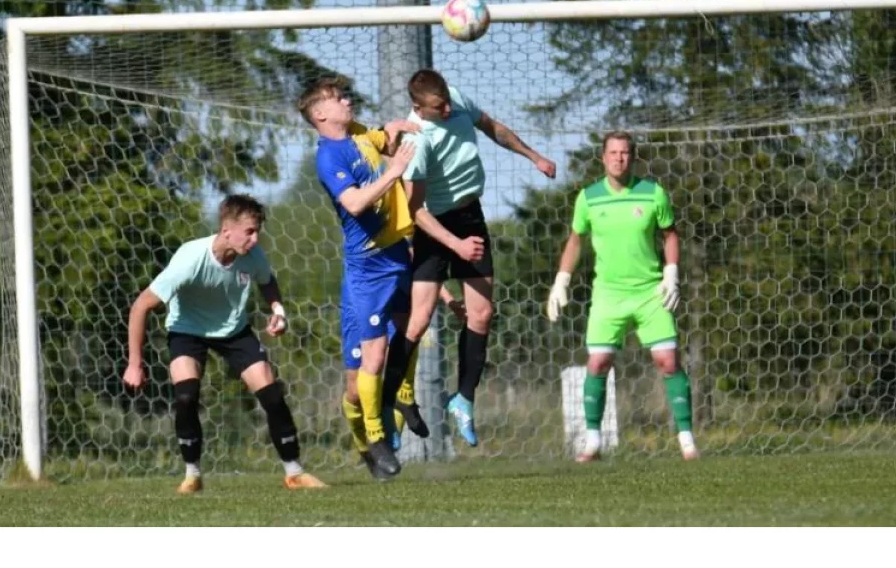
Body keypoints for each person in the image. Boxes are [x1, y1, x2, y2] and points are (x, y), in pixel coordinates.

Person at [123, 194, 326, 493]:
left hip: (233, 330)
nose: (255, 239)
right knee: (186, 396)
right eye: (250, 232)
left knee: (272, 394)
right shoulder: (190, 260)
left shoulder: (252, 256)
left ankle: (294, 473)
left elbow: (267, 280)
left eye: (258, 232)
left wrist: (278, 311)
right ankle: (192, 475)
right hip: (187, 330)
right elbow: (141, 306)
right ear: (226, 230)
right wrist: (134, 364)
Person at [396, 68, 556, 447]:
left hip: (470, 217)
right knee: (418, 320)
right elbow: (415, 210)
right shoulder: (415, 140)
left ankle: (463, 398)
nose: (447, 109)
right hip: (435, 228)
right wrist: (456, 245)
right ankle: (392, 400)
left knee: (481, 314)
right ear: (418, 107)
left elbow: (492, 126)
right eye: (438, 107)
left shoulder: (455, 99)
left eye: (447, 101)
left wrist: (534, 156)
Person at [545, 131, 698, 462]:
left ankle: (688, 443)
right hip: (608, 294)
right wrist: (561, 281)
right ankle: (593, 442)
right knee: (598, 363)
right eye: (613, 153)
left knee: (668, 361)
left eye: (625, 152)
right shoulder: (588, 198)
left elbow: (670, 235)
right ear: (603, 158)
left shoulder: (653, 193)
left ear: (633, 157)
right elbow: (575, 240)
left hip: (649, 291)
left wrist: (671, 272)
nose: (619, 158)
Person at [298, 77, 421, 480]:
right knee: (363, 375)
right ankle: (371, 441)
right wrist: (394, 172)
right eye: (338, 99)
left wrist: (393, 129)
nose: (347, 101)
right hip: (367, 268)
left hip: (396, 252)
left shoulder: (355, 132)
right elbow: (353, 203)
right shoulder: (328, 157)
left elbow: (380, 139)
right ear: (320, 114)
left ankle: (403, 397)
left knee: (410, 330)